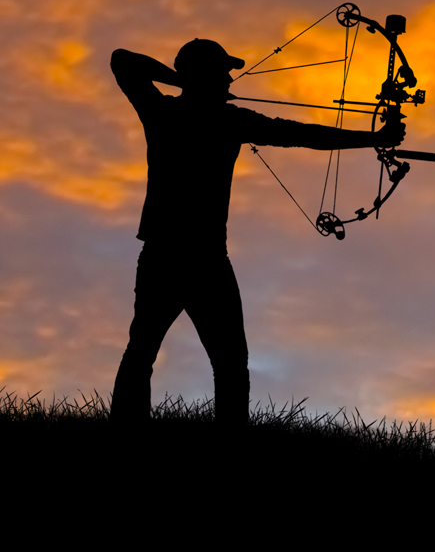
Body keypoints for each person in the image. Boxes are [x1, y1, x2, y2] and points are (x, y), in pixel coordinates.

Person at [108, 39, 404, 428]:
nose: (230, 78)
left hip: (173, 254)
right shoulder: (222, 119)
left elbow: (123, 62)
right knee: (221, 360)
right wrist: (374, 139)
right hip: (200, 258)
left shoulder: (163, 111)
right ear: (204, 75)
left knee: (152, 351)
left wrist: (373, 138)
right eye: (222, 72)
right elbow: (302, 134)